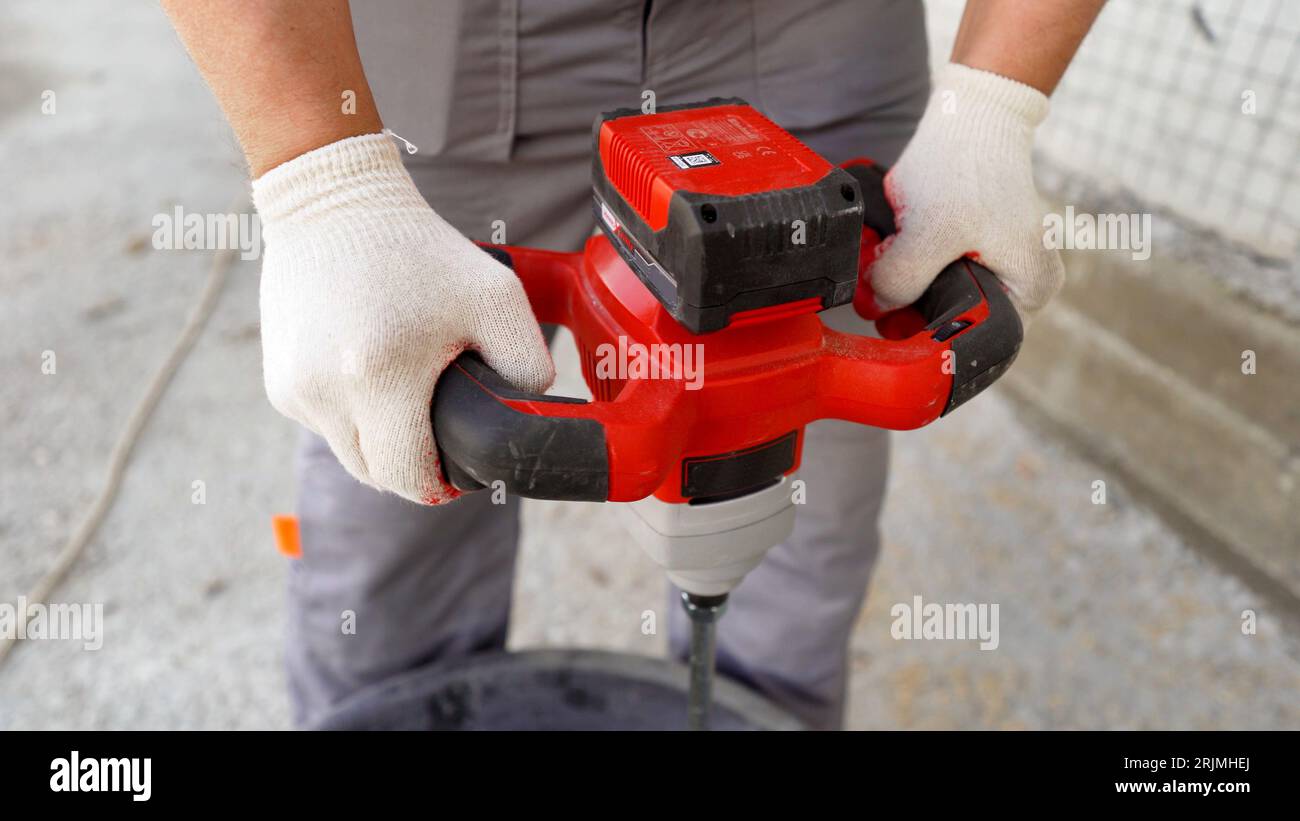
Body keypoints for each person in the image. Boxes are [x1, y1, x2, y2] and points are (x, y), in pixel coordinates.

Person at [163, 0, 1105, 730]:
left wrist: (994, 102)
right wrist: (320, 179)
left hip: (815, 42)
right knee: (399, 499)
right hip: (440, 48)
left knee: (801, 566)